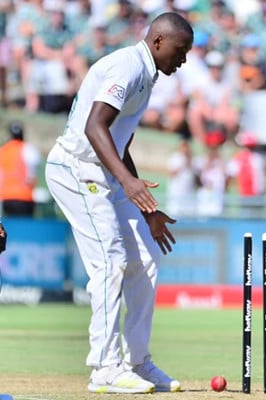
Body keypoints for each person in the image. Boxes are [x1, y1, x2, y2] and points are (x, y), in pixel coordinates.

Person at [44, 12, 193, 394]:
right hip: (76, 170)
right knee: (110, 261)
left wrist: (147, 206)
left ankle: (138, 362)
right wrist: (128, 183)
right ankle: (105, 368)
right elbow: (95, 126)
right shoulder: (128, 66)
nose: (184, 59)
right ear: (159, 41)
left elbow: (118, 142)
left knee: (145, 256)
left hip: (104, 172)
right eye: (181, 50)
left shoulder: (147, 74)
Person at [0, 121, 41, 217]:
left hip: (6, 198)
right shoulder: (28, 149)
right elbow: (33, 173)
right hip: (24, 197)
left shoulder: (3, 151)